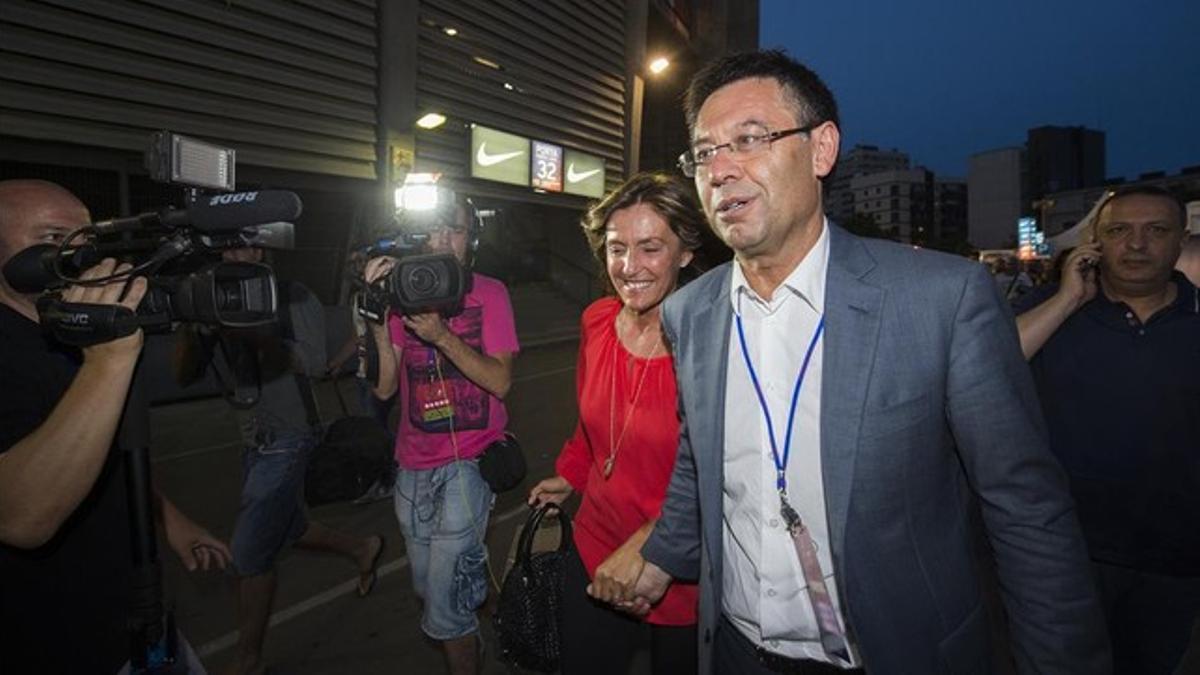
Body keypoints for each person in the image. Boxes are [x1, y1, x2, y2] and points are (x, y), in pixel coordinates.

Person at [614, 50, 1109, 674]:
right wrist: (664, 556)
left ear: (821, 149)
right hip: (736, 650)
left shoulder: (940, 299)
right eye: (705, 152)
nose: (721, 170)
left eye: (750, 139)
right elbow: (700, 458)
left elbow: (1025, 510)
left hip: (894, 651)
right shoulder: (689, 314)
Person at [0, 179, 231, 674]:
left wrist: (170, 522)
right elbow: (21, 517)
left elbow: (105, 452)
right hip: (57, 644)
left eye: (85, 238)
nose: (78, 253)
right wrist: (106, 365)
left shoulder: (68, 326)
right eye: (53, 236)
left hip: (138, 621)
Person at [175, 245, 386, 675]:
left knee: (249, 554)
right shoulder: (214, 299)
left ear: (264, 249)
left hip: (290, 435)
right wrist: (194, 324)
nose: (240, 254)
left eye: (249, 245)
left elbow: (310, 362)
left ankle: (248, 660)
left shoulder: (292, 296)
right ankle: (362, 546)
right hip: (254, 438)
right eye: (230, 246)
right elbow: (184, 374)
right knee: (289, 529)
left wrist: (251, 327)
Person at [1014, 186, 1199, 675]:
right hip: (1065, 551)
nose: (1136, 245)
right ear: (1095, 242)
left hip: (1174, 557)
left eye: (1156, 231)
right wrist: (1069, 298)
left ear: (1181, 241)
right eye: (1119, 231)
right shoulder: (1052, 309)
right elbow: (987, 368)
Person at [527, 173, 704, 674]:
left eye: (650, 248)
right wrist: (570, 475)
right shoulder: (597, 321)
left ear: (686, 253)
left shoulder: (708, 341)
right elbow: (589, 423)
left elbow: (728, 471)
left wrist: (652, 542)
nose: (630, 267)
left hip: (680, 567)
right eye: (616, 248)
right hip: (595, 549)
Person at [365, 194, 519, 675]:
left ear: (469, 238)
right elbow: (385, 386)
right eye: (430, 231)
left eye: (451, 230)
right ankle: (485, 609)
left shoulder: (489, 293)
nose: (440, 241)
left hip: (470, 462)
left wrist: (441, 337)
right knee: (427, 588)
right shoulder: (399, 295)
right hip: (413, 462)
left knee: (446, 608)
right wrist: (372, 313)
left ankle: (467, 643)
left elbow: (499, 381)